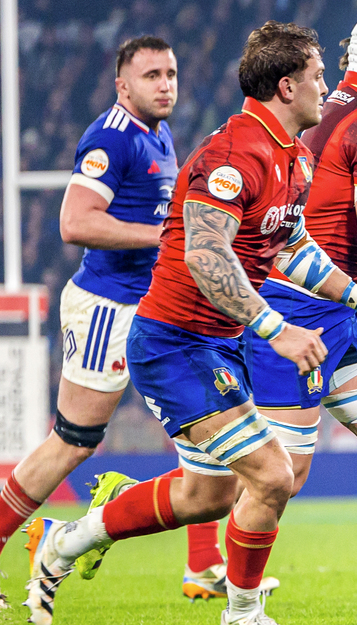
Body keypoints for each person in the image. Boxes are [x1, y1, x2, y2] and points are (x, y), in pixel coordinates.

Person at [23, 22, 357, 625]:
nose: (329, 85)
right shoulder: (232, 154)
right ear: (288, 86)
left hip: (222, 343)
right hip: (175, 346)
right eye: (320, 76)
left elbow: (292, 248)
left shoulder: (292, 155)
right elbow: (205, 255)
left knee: (206, 496)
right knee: (273, 474)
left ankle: (65, 542)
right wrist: (277, 330)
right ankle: (242, 614)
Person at [0, 34, 266, 602]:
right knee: (72, 441)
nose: (166, 84)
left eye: (170, 73)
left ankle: (201, 566)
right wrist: (169, 237)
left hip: (153, 308)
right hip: (108, 307)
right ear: (123, 85)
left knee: (206, 431)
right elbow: (75, 222)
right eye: (151, 76)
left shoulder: (160, 134)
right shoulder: (112, 137)